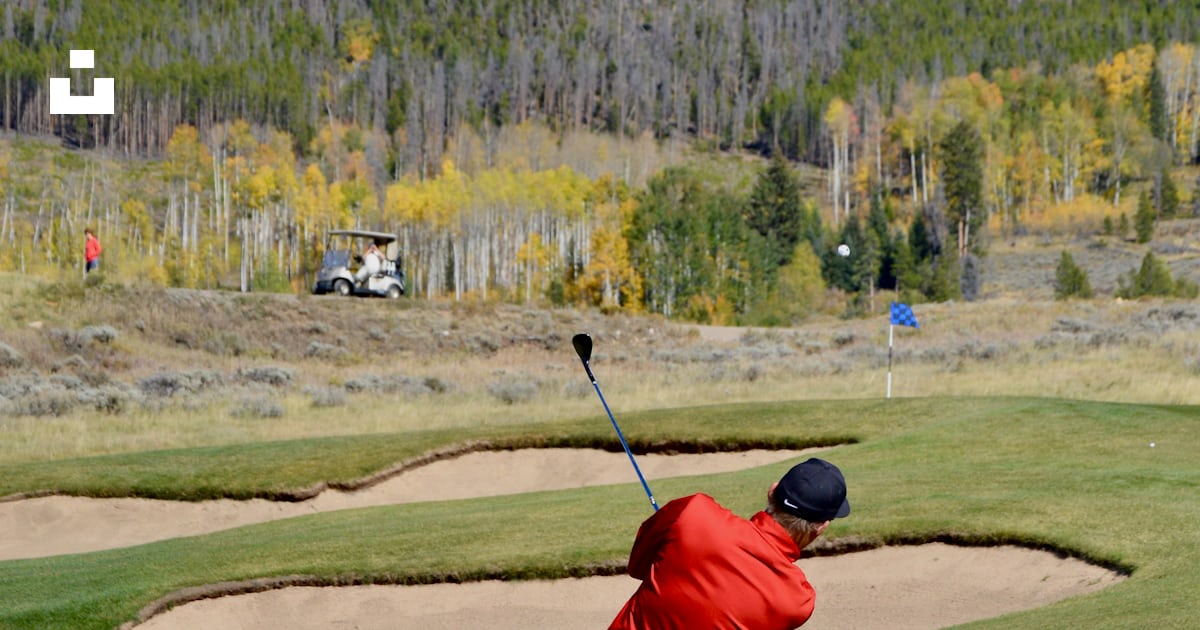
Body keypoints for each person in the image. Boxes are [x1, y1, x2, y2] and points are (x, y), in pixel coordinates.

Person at [609, 457, 851, 629]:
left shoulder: (694, 512)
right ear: (821, 527)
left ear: (772, 491)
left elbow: (638, 567)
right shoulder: (797, 600)